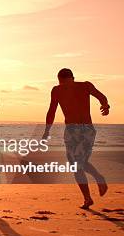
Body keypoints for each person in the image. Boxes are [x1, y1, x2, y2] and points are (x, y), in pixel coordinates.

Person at [42, 68, 110, 209]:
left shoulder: (66, 88)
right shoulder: (78, 87)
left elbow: (51, 112)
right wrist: (105, 106)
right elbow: (102, 97)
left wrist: (47, 131)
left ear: (64, 79)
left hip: (79, 130)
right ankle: (90, 193)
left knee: (78, 164)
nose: (65, 86)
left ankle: (95, 185)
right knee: (78, 164)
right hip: (80, 130)